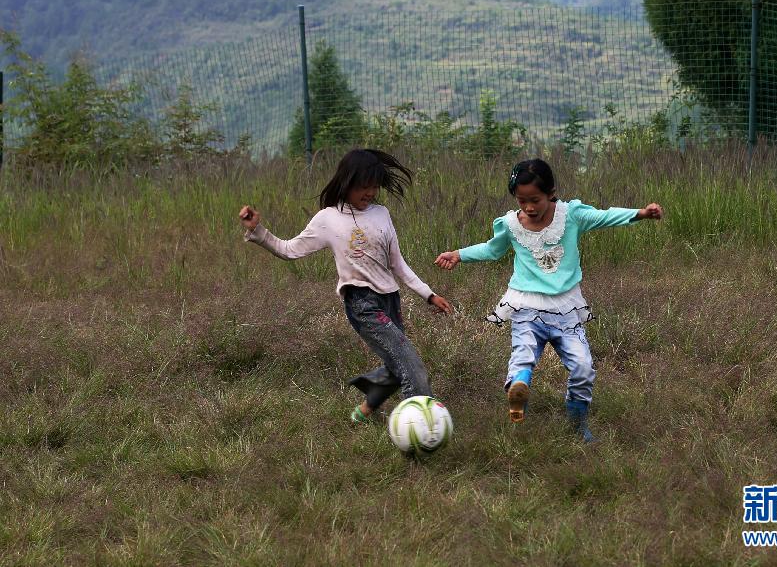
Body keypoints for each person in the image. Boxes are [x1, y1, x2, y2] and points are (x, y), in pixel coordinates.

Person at [435, 158, 661, 442]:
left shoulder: (571, 215)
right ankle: (518, 390)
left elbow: (604, 217)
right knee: (523, 355)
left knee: (583, 368)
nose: (529, 207)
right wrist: (459, 254)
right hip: (526, 305)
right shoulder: (511, 224)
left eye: (535, 200)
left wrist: (640, 213)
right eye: (522, 201)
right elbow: (492, 250)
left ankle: (577, 423)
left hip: (566, 308)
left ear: (551, 192)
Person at [239, 148, 453, 424]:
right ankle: (422, 424)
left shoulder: (382, 213)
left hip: (390, 299)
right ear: (347, 182)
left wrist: (429, 294)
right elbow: (288, 250)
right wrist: (257, 230)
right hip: (362, 303)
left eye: (374, 186)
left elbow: (397, 263)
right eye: (364, 186)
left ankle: (363, 411)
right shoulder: (328, 218)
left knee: (395, 363)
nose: (370, 192)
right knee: (410, 363)